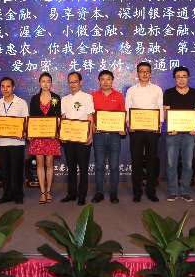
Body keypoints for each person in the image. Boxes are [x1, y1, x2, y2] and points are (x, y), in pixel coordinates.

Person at [125, 62, 163, 202]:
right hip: (136, 130)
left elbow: (160, 108)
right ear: (138, 73)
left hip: (152, 130)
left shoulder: (157, 89)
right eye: (142, 71)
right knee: (137, 161)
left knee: (152, 161)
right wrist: (129, 124)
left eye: (147, 71)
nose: (144, 73)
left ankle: (151, 191)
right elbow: (127, 108)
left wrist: (159, 125)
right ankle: (137, 192)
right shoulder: (131, 90)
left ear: (150, 73)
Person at [163, 66, 195, 202]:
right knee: (171, 163)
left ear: (188, 78)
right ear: (174, 79)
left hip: (189, 134)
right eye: (178, 77)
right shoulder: (169, 93)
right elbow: (166, 113)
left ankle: (185, 191)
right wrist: (169, 126)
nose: (181, 79)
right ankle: (173, 191)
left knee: (188, 164)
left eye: (184, 76)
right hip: (173, 133)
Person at [60, 72, 95, 205]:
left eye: (75, 81)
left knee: (83, 168)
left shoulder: (87, 97)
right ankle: (71, 193)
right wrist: (62, 134)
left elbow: (90, 117)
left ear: (80, 82)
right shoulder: (64, 99)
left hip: (82, 138)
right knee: (71, 168)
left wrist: (90, 135)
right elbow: (63, 118)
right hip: (69, 138)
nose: (72, 84)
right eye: (70, 82)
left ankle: (82, 195)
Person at [0, 77, 29, 204]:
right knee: (5, 170)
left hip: (17, 143)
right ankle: (6, 194)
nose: (5, 89)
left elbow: (26, 122)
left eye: (8, 86)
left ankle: (18, 195)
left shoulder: (21, 103)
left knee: (17, 169)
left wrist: (23, 132)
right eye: (2, 86)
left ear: (13, 88)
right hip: (2, 143)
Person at [91, 69, 126, 204]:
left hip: (114, 136)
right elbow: (90, 115)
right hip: (99, 136)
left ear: (112, 81)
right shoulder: (93, 96)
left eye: (108, 79)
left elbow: (123, 114)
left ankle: (113, 193)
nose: (105, 82)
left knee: (114, 166)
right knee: (99, 165)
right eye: (103, 79)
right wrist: (93, 125)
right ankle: (99, 192)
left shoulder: (119, 96)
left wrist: (123, 128)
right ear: (99, 81)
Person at [28, 72, 62, 204]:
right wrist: (31, 132)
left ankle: (48, 191)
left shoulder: (56, 98)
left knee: (49, 164)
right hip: (38, 136)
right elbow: (32, 118)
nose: (46, 84)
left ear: (51, 83)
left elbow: (58, 117)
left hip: (51, 136)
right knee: (40, 164)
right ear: (39, 83)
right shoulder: (34, 99)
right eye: (43, 81)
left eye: (48, 81)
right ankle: (42, 192)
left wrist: (57, 129)